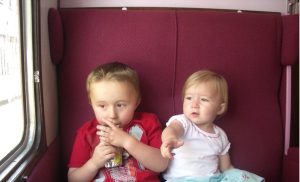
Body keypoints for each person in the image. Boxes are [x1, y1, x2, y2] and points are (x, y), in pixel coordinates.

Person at [68, 62, 168, 182]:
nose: (112, 115)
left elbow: (161, 165)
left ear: (136, 102)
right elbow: (73, 179)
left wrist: (127, 141)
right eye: (102, 106)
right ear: (91, 103)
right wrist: (94, 163)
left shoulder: (149, 123)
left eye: (120, 105)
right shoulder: (87, 132)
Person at [160, 70, 264, 182]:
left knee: (240, 177)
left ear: (220, 108)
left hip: (214, 179)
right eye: (189, 98)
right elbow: (172, 129)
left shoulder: (221, 135)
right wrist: (170, 139)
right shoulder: (183, 122)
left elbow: (226, 168)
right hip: (181, 179)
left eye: (203, 99)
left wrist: (235, 177)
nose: (194, 104)